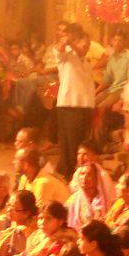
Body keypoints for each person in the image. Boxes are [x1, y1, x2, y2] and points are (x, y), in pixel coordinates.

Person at [55, 24, 96, 179]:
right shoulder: (66, 56)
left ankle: (70, 172)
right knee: (70, 144)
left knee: (81, 143)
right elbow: (59, 48)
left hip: (85, 105)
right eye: (84, 44)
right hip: (70, 105)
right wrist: (68, 41)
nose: (86, 47)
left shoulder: (85, 60)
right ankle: (71, 174)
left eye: (88, 44)